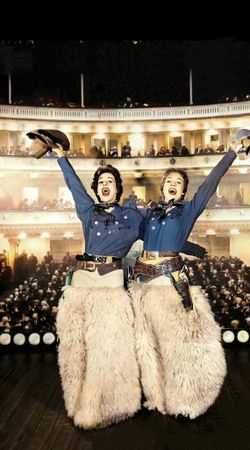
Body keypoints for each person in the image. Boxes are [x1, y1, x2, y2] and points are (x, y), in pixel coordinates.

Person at [26, 129, 143, 429]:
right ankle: (79, 401)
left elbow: (159, 236)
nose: (105, 185)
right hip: (81, 284)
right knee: (77, 349)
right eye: (101, 182)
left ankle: (108, 406)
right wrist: (61, 156)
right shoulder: (88, 211)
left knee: (107, 350)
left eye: (110, 182)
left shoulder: (133, 218)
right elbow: (73, 184)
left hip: (109, 285)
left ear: (118, 188)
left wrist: (187, 247)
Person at [129, 141, 243, 420]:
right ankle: (156, 397)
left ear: (183, 190)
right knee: (148, 346)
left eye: (178, 182)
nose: (172, 184)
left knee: (177, 347)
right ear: (163, 186)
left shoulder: (188, 211)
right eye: (169, 180)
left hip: (169, 284)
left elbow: (210, 184)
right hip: (142, 284)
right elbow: (138, 232)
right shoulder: (152, 214)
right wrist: (192, 248)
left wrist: (232, 153)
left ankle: (186, 400)